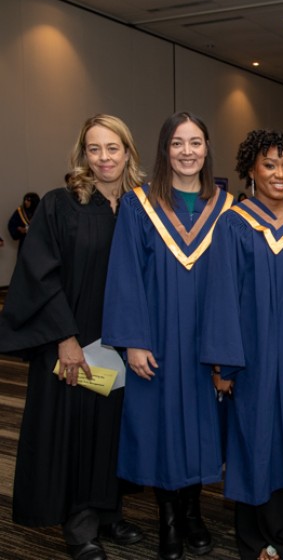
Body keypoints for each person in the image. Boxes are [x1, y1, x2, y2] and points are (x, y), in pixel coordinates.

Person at [0, 114, 145, 560]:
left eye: (112, 148)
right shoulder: (60, 204)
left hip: (125, 341)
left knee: (117, 428)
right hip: (77, 340)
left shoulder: (142, 207)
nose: (104, 158)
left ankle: (109, 511)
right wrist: (65, 336)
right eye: (94, 149)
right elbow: (40, 275)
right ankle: (80, 526)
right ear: (83, 154)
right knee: (77, 429)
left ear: (127, 151)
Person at [102, 112, 233, 560]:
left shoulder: (227, 207)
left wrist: (228, 348)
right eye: (177, 143)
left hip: (206, 339)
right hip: (157, 339)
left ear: (207, 147)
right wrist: (134, 340)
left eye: (195, 142)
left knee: (201, 424)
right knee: (160, 426)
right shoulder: (140, 205)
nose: (187, 152)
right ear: (165, 150)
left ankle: (194, 511)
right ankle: (169, 519)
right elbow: (125, 277)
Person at [200, 129, 283, 560]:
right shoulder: (235, 223)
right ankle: (259, 534)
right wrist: (224, 365)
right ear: (251, 171)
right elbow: (221, 296)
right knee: (255, 435)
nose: (280, 174)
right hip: (251, 354)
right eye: (270, 165)